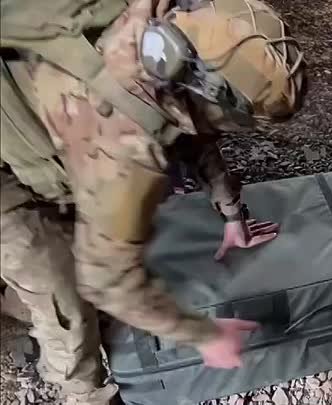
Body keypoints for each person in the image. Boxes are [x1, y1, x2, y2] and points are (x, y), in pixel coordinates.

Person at [0, 0, 304, 403]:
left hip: (36, 116)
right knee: (63, 296)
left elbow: (191, 133)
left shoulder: (161, 29)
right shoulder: (124, 140)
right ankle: (82, 392)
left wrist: (232, 212)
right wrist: (206, 335)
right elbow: (106, 280)